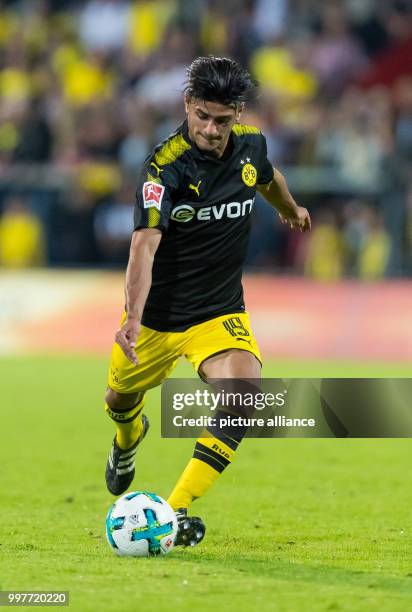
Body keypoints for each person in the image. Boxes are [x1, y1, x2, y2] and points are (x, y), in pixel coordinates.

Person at [104, 56, 311, 547]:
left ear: (237, 113)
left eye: (223, 119)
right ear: (187, 106)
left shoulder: (251, 146)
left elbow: (267, 176)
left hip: (219, 313)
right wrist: (133, 318)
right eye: (203, 117)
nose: (212, 130)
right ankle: (128, 439)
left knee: (244, 394)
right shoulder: (164, 166)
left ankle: (172, 513)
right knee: (118, 400)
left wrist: (290, 208)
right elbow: (143, 245)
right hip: (157, 319)